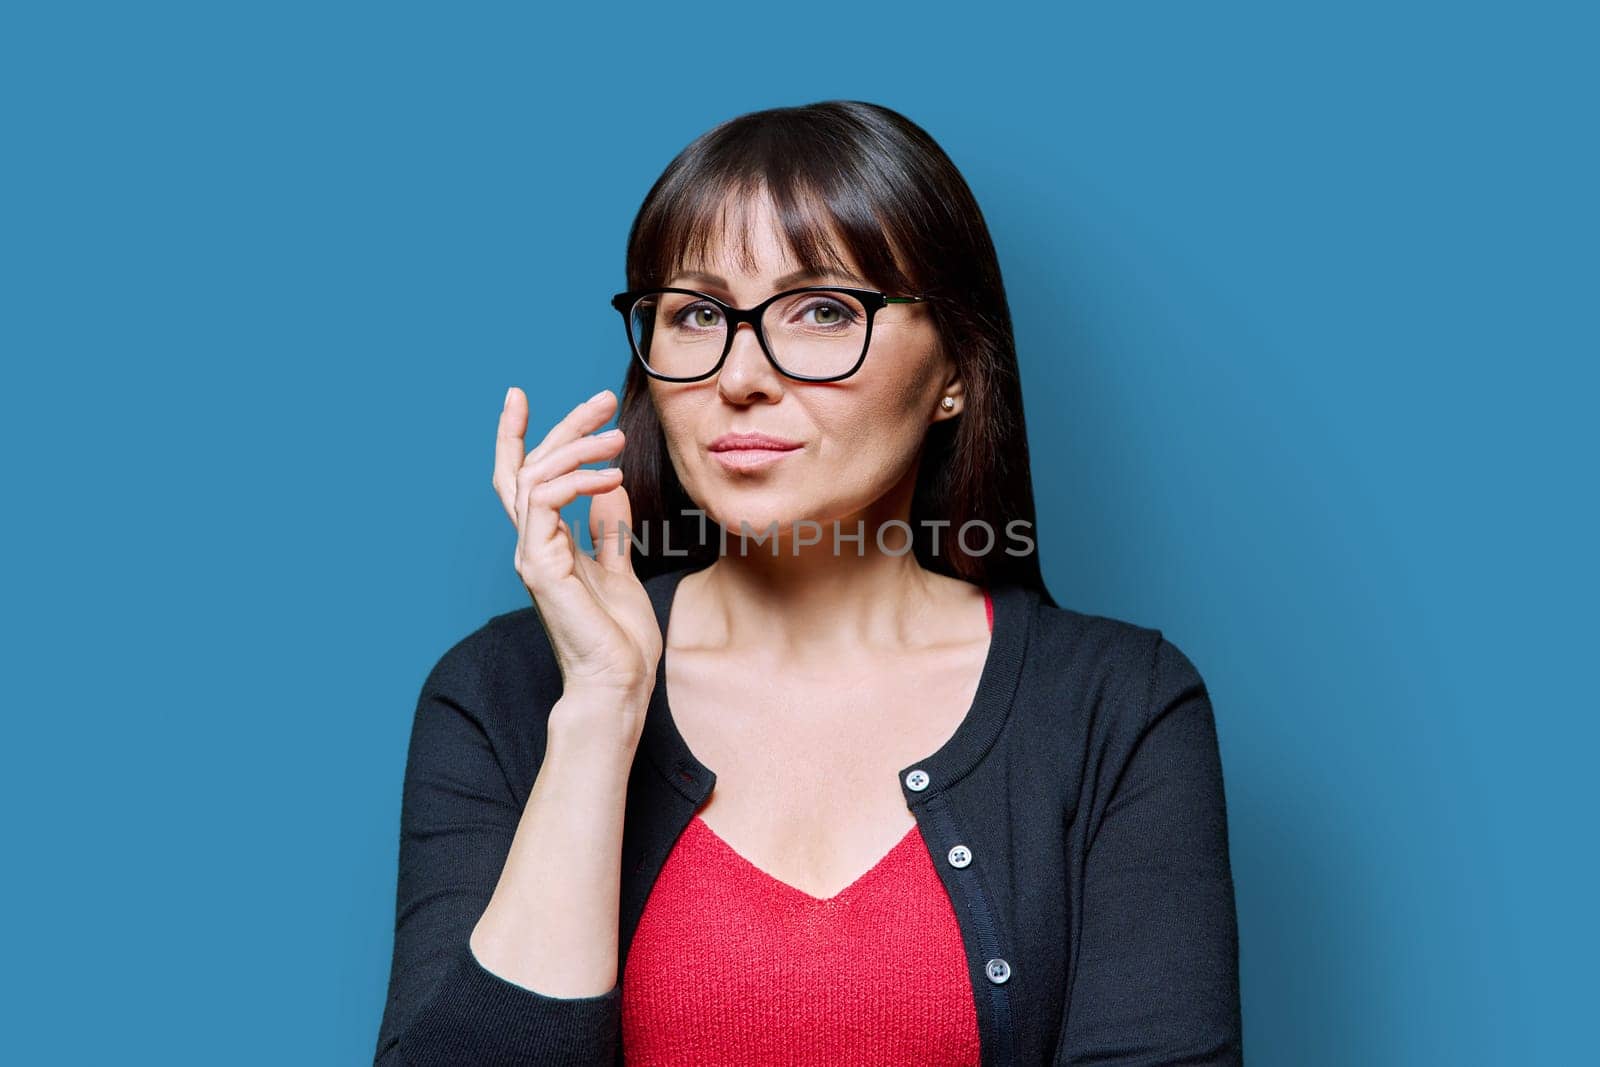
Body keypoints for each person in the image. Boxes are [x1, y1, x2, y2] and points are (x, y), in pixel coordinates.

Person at [373, 100, 1242, 1066]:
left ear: (955, 365)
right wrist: (599, 717)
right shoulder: (501, 694)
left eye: (824, 309)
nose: (740, 375)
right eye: (698, 314)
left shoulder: (1119, 708)